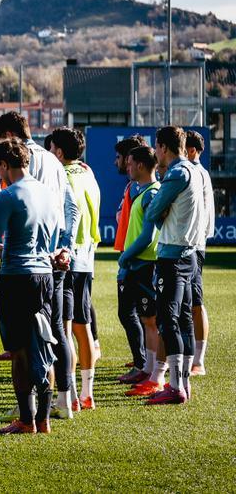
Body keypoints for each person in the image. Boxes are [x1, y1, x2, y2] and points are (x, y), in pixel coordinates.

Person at [0, 112, 77, 422]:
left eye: (0, 143)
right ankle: (63, 401)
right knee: (51, 336)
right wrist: (64, 247)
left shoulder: (24, 174)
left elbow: (24, 212)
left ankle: (27, 415)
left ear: (11, 137)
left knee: (23, 348)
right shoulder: (55, 161)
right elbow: (70, 207)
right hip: (50, 263)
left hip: (21, 267)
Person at [143, 126, 206, 405]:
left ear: (164, 148)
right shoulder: (195, 171)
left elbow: (153, 209)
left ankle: (176, 387)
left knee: (169, 321)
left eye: (157, 147)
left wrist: (159, 215)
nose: (156, 153)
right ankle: (183, 384)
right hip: (191, 254)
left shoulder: (178, 173)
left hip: (173, 255)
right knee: (183, 320)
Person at [48, 128, 102, 410]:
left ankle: (68, 395)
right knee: (83, 326)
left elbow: (69, 214)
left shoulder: (63, 176)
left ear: (58, 152)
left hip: (70, 257)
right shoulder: (87, 172)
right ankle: (86, 392)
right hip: (87, 255)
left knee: (65, 327)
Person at [116, 146, 165, 396]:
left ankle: (155, 371)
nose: (127, 166)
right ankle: (147, 367)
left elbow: (148, 236)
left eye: (131, 163)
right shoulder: (142, 192)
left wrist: (126, 255)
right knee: (146, 320)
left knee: (151, 320)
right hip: (138, 264)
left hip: (145, 265)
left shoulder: (151, 194)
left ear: (142, 166)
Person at [112, 135, 149, 377]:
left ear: (129, 159)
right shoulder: (132, 187)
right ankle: (143, 360)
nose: (117, 162)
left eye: (119, 157)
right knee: (134, 314)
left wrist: (128, 255)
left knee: (132, 313)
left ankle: (143, 363)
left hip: (135, 258)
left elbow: (144, 229)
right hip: (130, 256)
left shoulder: (140, 188)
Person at [184, 130, 214, 377]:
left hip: (194, 245)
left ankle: (199, 361)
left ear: (191, 150)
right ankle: (194, 358)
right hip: (195, 243)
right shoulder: (197, 172)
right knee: (191, 302)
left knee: (195, 302)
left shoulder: (196, 173)